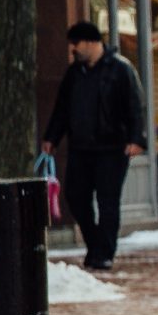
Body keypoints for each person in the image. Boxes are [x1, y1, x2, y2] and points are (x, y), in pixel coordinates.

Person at [43, 22, 146, 271]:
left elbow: (135, 106)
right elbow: (62, 110)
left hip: (112, 148)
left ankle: (104, 254)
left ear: (90, 42)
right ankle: (95, 244)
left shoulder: (120, 69)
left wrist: (136, 139)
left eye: (75, 44)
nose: (73, 49)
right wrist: (52, 138)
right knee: (75, 196)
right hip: (81, 148)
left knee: (108, 202)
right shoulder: (74, 74)